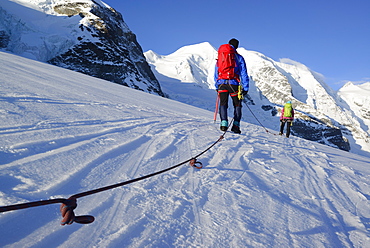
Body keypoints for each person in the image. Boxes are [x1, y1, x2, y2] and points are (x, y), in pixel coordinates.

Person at [214, 38, 249, 134]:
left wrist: (217, 85)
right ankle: (236, 126)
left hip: (222, 83)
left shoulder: (221, 56)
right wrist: (245, 88)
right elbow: (243, 73)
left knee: (223, 103)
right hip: (234, 84)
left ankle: (224, 124)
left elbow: (216, 71)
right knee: (237, 104)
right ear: (237, 46)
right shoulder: (239, 57)